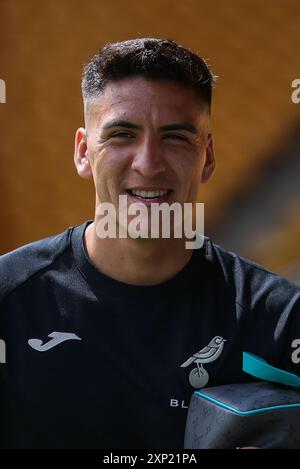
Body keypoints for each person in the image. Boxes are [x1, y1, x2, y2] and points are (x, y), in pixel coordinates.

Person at [0, 38, 299, 449]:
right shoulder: (8, 299)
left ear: (207, 157)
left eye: (175, 138)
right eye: (123, 134)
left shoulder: (281, 320)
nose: (148, 163)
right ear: (84, 152)